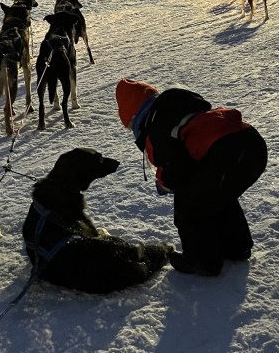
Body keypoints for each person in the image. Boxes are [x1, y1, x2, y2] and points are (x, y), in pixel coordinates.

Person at [115, 79, 268, 276]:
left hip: (226, 152)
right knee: (218, 195)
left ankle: (201, 260)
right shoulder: (177, 108)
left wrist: (164, 182)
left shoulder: (155, 130)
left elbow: (175, 170)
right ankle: (237, 247)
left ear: (132, 116)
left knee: (188, 203)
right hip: (252, 144)